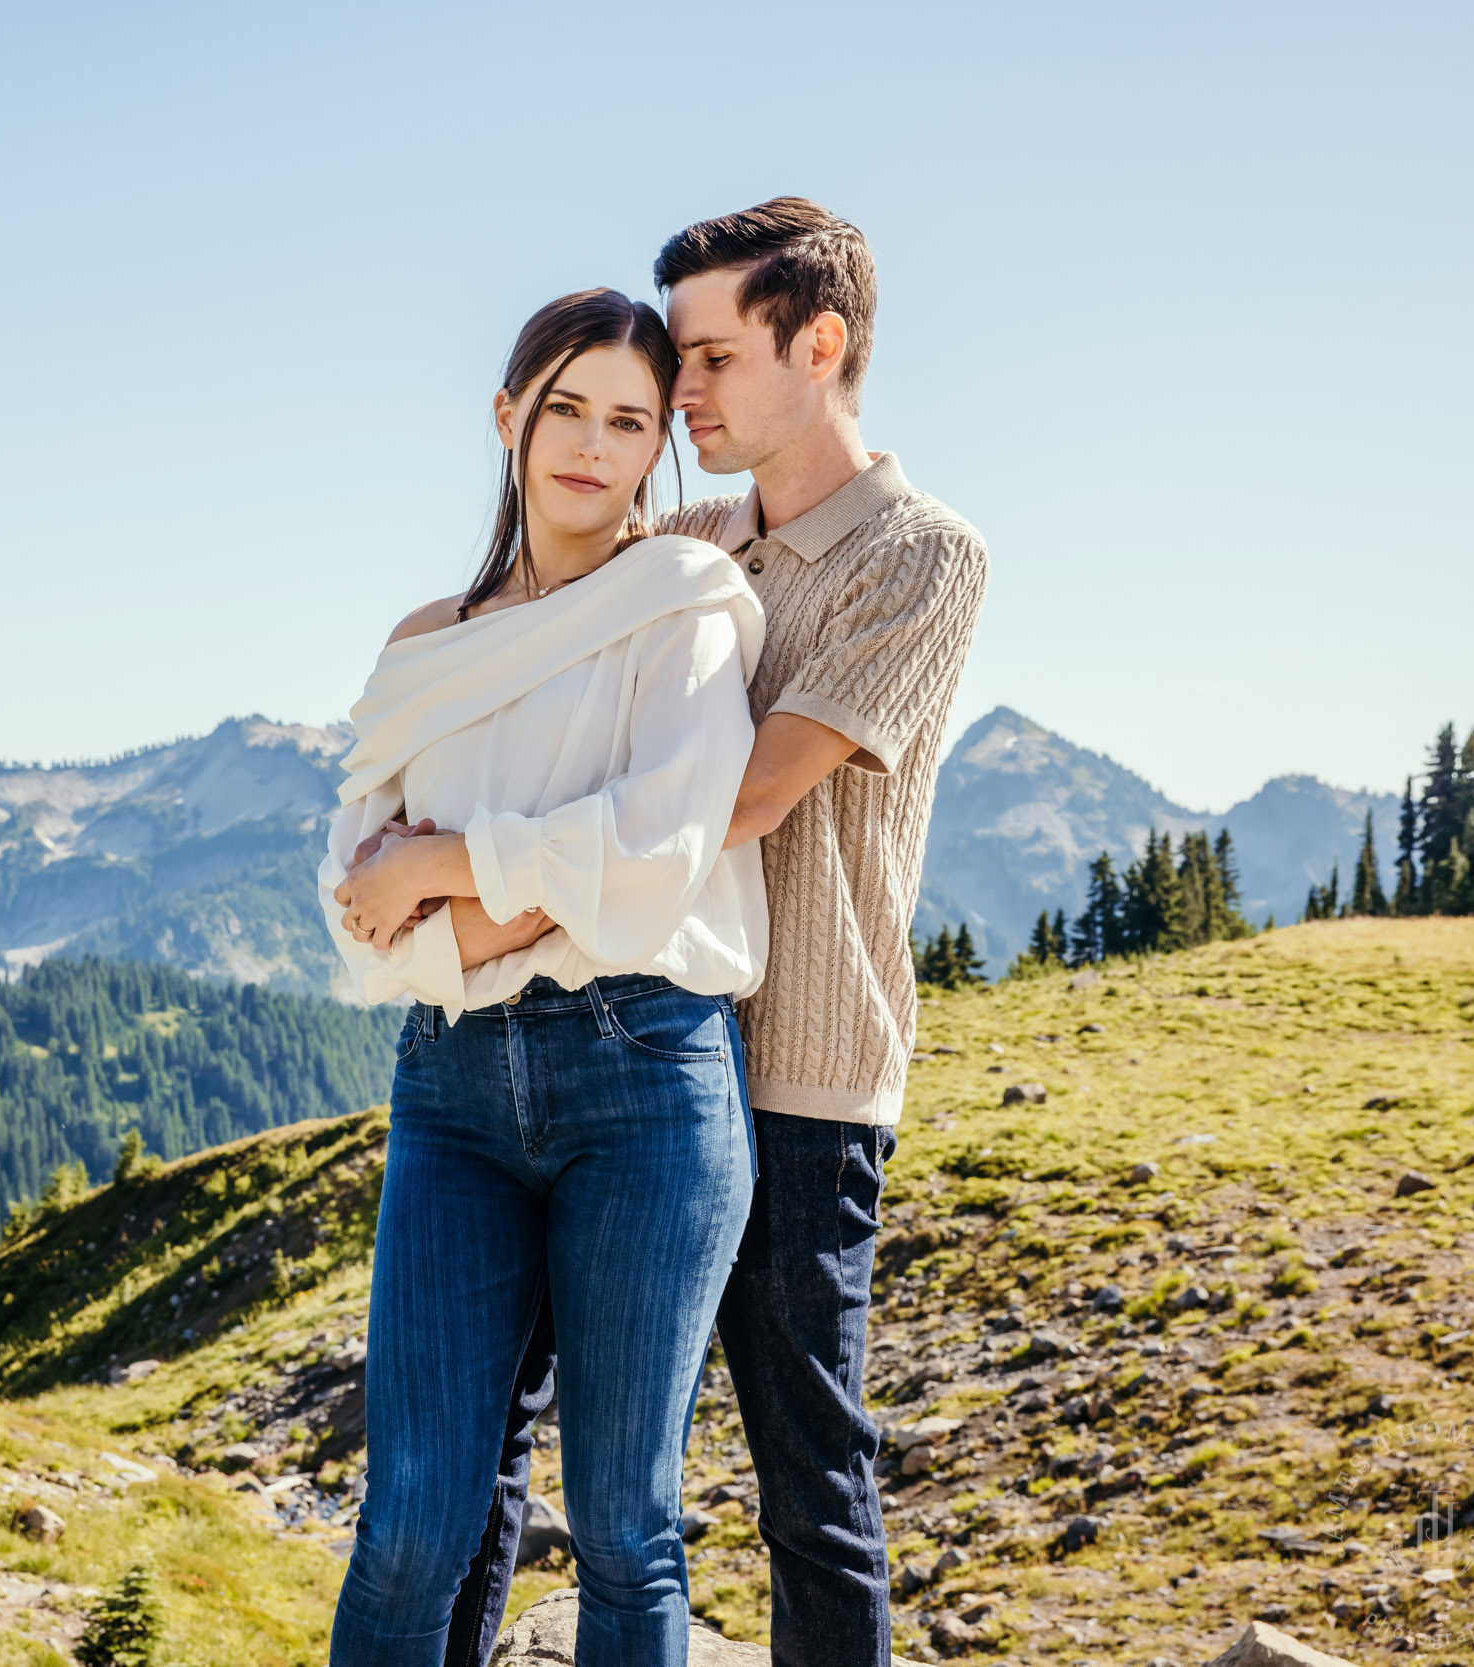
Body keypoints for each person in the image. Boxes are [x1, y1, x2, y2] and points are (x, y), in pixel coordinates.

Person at [446, 199, 990, 1667]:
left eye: (706, 360)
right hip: (627, 1046)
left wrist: (477, 892)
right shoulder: (684, 538)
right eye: (672, 367)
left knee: (808, 1474)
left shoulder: (923, 557)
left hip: (798, 1072)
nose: (677, 400)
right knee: (499, 1448)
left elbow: (739, 799)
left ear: (821, 345)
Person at [319, 286, 771, 1665]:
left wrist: (447, 870)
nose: (590, 444)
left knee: (626, 1527)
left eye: (629, 421)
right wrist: (503, 897)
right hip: (449, 1092)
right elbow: (352, 905)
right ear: (509, 416)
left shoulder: (686, 606)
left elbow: (657, 858)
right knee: (408, 1521)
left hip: (643, 1077)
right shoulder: (423, 644)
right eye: (565, 407)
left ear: (657, 452)